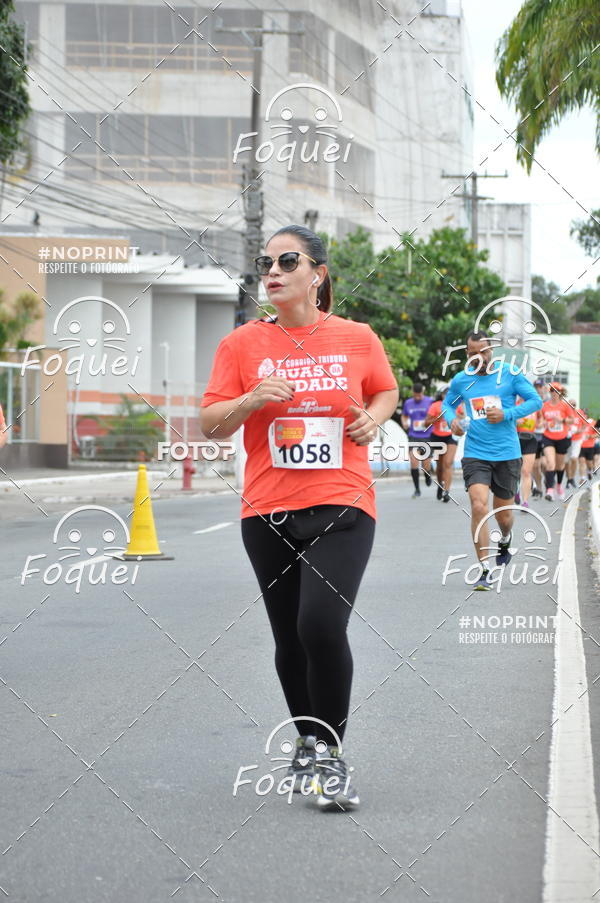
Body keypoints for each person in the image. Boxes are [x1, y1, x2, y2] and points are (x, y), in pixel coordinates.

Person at [200, 224, 399, 811]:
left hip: (343, 503)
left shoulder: (357, 337)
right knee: (288, 635)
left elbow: (384, 390)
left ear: (318, 274)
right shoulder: (240, 346)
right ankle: (307, 739)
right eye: (266, 262)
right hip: (267, 511)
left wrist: (376, 418)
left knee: (320, 625)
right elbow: (212, 422)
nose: (273, 271)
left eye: (288, 260)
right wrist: (253, 398)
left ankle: (332, 754)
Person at [442, 332, 542, 591]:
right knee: (478, 505)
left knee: (505, 515)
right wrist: (452, 420)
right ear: (466, 354)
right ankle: (485, 569)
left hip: (507, 454)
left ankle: (506, 539)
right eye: (473, 353)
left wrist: (507, 413)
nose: (479, 358)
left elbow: (535, 401)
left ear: (492, 351)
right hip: (476, 453)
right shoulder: (461, 380)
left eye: (484, 352)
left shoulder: (510, 374)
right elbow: (447, 404)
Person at [541, 383, 573, 501]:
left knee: (560, 465)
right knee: (550, 463)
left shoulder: (565, 406)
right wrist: (543, 423)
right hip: (548, 437)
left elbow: (572, 420)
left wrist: (562, 420)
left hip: (562, 438)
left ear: (560, 392)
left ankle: (559, 485)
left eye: (556, 391)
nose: (554, 393)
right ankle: (549, 490)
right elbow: (540, 420)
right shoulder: (544, 406)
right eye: (552, 390)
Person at [424, 388, 457, 502]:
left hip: (451, 436)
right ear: (441, 395)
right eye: (445, 394)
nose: (447, 395)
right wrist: (437, 418)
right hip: (437, 437)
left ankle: (446, 491)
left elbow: (462, 417)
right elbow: (426, 423)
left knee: (448, 463)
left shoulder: (456, 404)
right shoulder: (436, 405)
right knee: (440, 466)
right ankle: (440, 485)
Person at [401, 382, 434, 497]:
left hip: (427, 436)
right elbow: (404, 415)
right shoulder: (408, 403)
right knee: (414, 461)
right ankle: (417, 489)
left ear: (422, 393)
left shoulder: (430, 401)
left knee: (426, 464)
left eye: (419, 395)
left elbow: (435, 414)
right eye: (415, 395)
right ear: (412, 393)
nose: (417, 397)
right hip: (413, 435)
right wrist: (404, 422)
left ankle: (428, 474)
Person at [515, 397, 537, 509]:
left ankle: (525, 501)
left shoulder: (535, 404)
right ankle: (516, 490)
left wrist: (540, 423)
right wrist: (515, 420)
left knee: (526, 471)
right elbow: (505, 417)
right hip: (515, 439)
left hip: (530, 439)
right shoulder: (513, 403)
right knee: (515, 470)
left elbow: (542, 419)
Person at [531, 379, 547, 498]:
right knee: (535, 466)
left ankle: (548, 479)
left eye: (539, 387)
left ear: (543, 388)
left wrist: (544, 422)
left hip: (547, 437)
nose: (538, 389)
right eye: (535, 387)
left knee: (546, 464)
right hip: (534, 436)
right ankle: (539, 486)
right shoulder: (530, 401)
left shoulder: (548, 402)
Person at [565, 398, 586, 489]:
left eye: (574, 404)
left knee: (574, 459)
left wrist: (579, 431)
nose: (572, 406)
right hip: (566, 439)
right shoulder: (565, 413)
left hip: (577, 439)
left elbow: (584, 425)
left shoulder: (579, 413)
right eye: (570, 404)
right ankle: (569, 479)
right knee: (566, 461)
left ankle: (572, 478)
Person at [579, 415, 598, 484]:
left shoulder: (594, 422)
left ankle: (589, 471)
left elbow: (598, 434)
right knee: (582, 462)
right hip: (580, 446)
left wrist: (590, 436)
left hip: (590, 446)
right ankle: (582, 478)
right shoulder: (580, 421)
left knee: (589, 463)